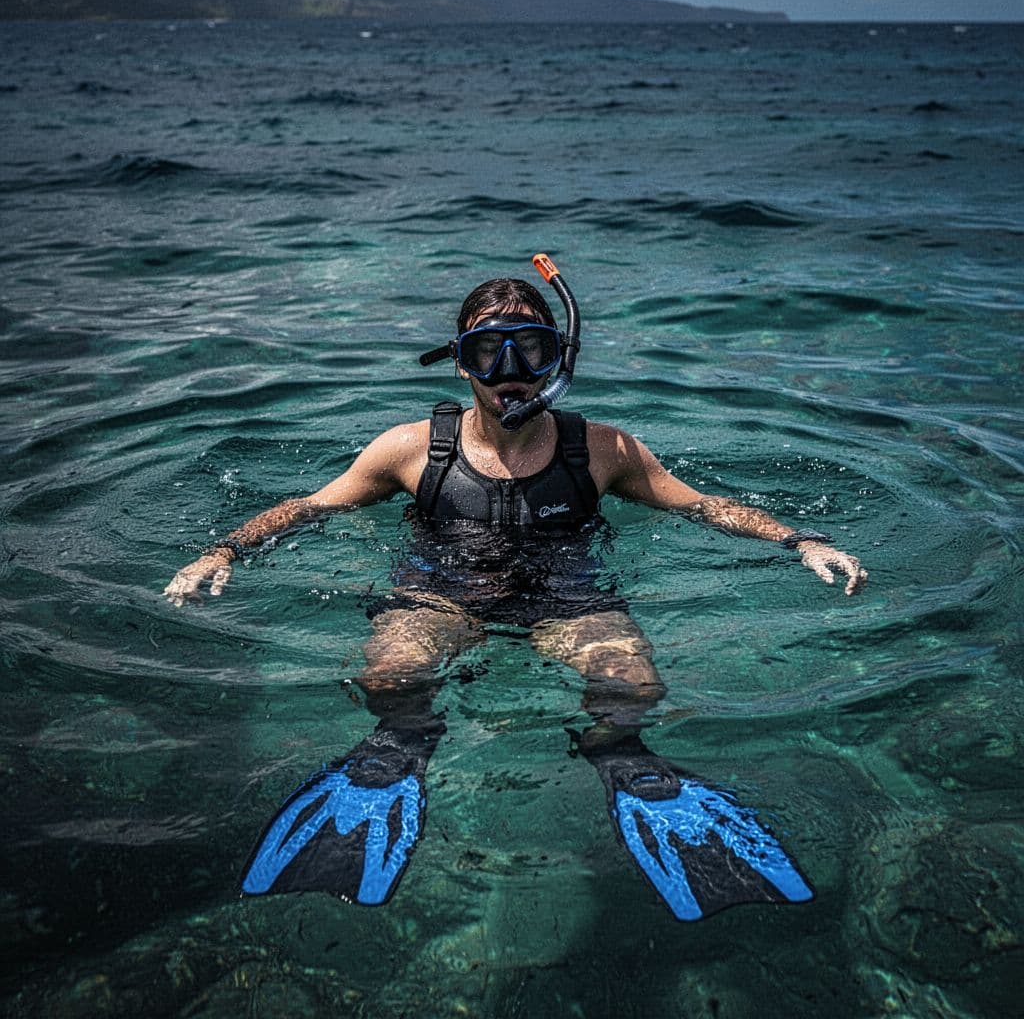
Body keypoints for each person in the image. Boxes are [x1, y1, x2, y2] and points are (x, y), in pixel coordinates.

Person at [164, 256, 865, 920]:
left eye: (529, 351)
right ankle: (397, 750)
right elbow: (311, 507)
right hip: (441, 594)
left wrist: (800, 541)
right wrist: (222, 551)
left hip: (569, 597)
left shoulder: (603, 450)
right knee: (391, 676)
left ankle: (626, 763)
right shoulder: (412, 448)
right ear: (461, 359)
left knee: (634, 687)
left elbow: (701, 505)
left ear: (558, 358)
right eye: (488, 352)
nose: (510, 375)